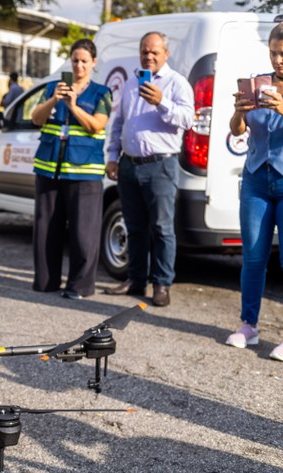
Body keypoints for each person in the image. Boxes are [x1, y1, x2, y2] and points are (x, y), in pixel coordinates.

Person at [104, 32, 194, 307]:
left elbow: (188, 119)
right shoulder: (132, 83)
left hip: (160, 165)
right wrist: (112, 156)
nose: (149, 56)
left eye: (155, 52)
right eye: (145, 51)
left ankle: (162, 284)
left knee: (162, 228)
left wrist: (161, 102)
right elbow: (119, 122)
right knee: (135, 227)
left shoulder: (177, 83)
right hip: (130, 164)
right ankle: (136, 279)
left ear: (166, 54)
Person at [31, 39, 112, 300]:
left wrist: (73, 106)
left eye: (84, 61)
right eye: (75, 60)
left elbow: (97, 126)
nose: (78, 65)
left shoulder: (102, 93)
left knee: (82, 234)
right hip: (49, 169)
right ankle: (46, 281)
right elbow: (36, 118)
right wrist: (55, 99)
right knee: (45, 230)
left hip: (84, 171)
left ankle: (80, 286)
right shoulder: (54, 88)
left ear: (93, 63)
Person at [225, 23, 283, 361]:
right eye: (274, 53)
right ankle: (249, 325)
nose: (278, 60)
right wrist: (239, 111)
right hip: (256, 178)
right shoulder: (258, 83)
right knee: (253, 257)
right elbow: (237, 131)